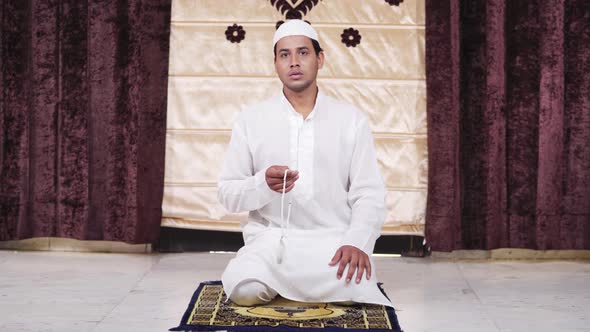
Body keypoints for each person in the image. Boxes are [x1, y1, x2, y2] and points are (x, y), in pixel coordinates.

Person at [218, 19, 392, 307]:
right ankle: (277, 281)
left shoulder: (351, 120)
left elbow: (369, 194)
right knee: (245, 290)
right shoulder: (251, 120)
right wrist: (263, 184)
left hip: (333, 242)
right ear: (275, 63)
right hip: (272, 243)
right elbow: (227, 194)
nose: (294, 62)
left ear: (319, 59)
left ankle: (306, 285)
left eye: (303, 52)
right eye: (284, 55)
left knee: (353, 289)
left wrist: (356, 242)